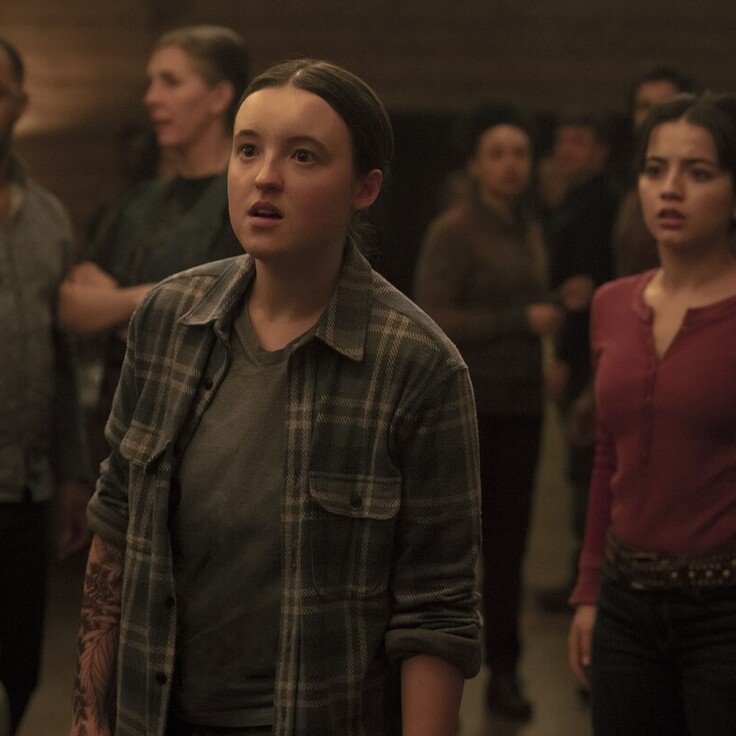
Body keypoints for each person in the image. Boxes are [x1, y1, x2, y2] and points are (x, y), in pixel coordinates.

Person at [69, 59, 482, 736]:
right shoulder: (169, 320)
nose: (265, 177)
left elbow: (437, 609)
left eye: (303, 156)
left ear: (365, 188)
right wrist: (89, 720)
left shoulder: (417, 366)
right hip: (159, 714)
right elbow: (115, 527)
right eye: (248, 149)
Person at [568, 92, 736, 735]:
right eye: (655, 169)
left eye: (699, 172)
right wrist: (589, 591)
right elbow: (608, 455)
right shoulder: (612, 305)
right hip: (625, 607)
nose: (671, 189)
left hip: (724, 610)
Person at [414, 101, 562, 721]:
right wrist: (518, 321)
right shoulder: (453, 231)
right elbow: (432, 316)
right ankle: (434, 684)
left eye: (520, 154)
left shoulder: (528, 226)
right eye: (497, 154)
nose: (510, 165)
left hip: (522, 406)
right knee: (452, 552)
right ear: (475, 165)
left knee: (509, 550)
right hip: (470, 409)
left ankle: (506, 673)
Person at [58, 25, 249, 467]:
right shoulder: (138, 203)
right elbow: (71, 307)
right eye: (151, 82)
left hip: (203, 436)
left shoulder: (244, 201)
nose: (151, 98)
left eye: (171, 82)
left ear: (219, 97)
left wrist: (118, 304)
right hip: (121, 431)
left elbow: (218, 322)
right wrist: (153, 297)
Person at [0, 36, 91, 733]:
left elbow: (62, 360)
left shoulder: (50, 218)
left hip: (24, 490)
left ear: (21, 104)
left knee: (18, 664)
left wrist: (71, 472)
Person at [536, 109, 619, 614]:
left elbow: (588, 292)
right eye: (563, 140)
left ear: (601, 152)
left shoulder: (603, 205)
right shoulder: (568, 202)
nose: (568, 150)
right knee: (579, 469)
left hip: (592, 353)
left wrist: (567, 356)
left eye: (580, 141)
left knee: (590, 466)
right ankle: (581, 575)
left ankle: (591, 582)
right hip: (576, 347)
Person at [612, 66, 696, 277]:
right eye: (644, 106)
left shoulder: (698, 177)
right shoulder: (622, 177)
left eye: (664, 106)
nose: (652, 115)